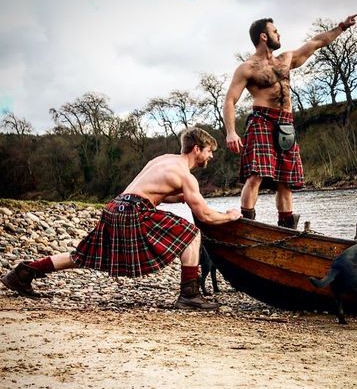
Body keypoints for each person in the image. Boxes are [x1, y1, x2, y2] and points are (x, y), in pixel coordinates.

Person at [0, 127, 242, 310]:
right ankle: (189, 294)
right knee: (191, 233)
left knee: (85, 256)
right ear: (197, 148)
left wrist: (178, 198)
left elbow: (143, 191)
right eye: (209, 151)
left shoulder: (161, 161)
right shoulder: (185, 175)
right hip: (135, 212)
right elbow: (204, 215)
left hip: (116, 207)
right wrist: (230, 215)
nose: (210, 157)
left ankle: (22, 273)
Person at [224, 13, 357, 229]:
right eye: (275, 31)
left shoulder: (285, 59)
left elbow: (316, 43)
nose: (279, 34)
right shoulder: (247, 68)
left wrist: (341, 27)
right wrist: (231, 132)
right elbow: (230, 100)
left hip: (286, 124)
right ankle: (246, 226)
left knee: (285, 181)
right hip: (262, 120)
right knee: (256, 174)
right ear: (264, 37)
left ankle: (286, 228)